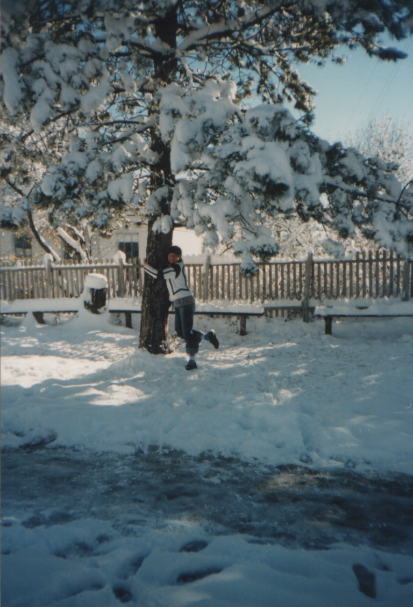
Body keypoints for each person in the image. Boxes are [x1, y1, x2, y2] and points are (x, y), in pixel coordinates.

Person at [143, 245, 219, 370]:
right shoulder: (172, 267)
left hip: (186, 303)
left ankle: (192, 362)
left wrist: (146, 266)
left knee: (187, 333)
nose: (172, 257)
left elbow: (158, 275)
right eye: (170, 255)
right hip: (179, 304)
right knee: (180, 332)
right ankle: (208, 336)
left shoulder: (175, 268)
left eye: (174, 255)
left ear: (179, 257)